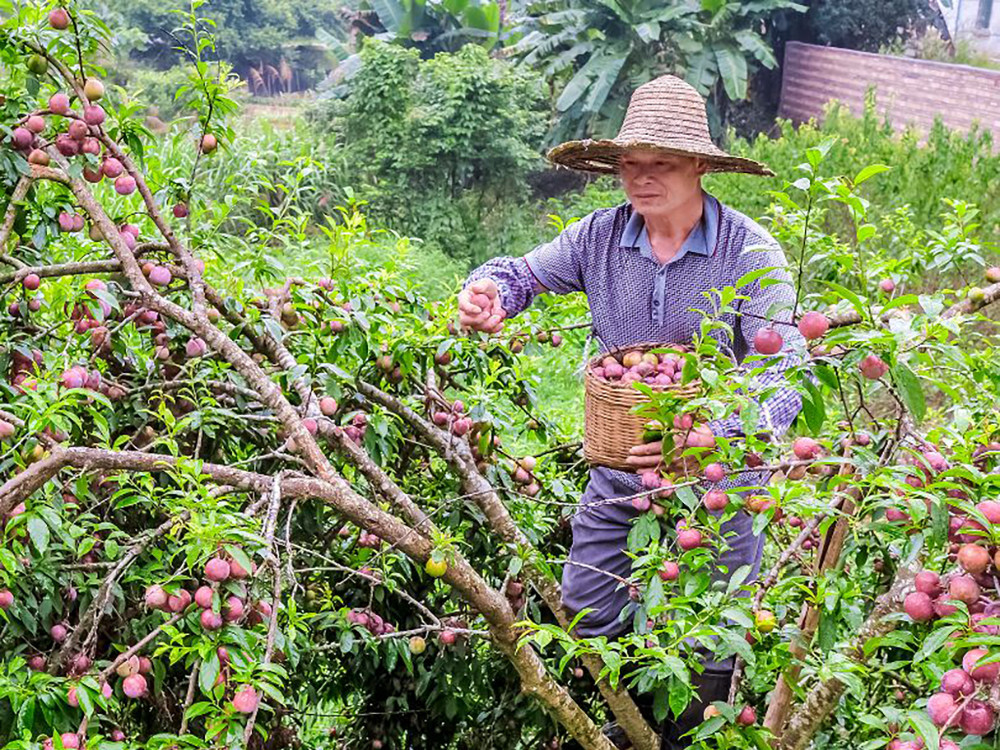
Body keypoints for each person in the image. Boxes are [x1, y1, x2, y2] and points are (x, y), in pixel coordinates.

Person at [457, 75, 803, 748]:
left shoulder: (751, 253)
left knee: (709, 634)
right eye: (629, 164)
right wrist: (489, 291)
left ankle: (679, 738)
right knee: (589, 608)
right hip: (620, 476)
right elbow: (522, 274)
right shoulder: (599, 236)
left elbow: (785, 372)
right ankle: (633, 721)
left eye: (661, 164)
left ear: (700, 165)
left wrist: (715, 433)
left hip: (718, 484)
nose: (640, 179)